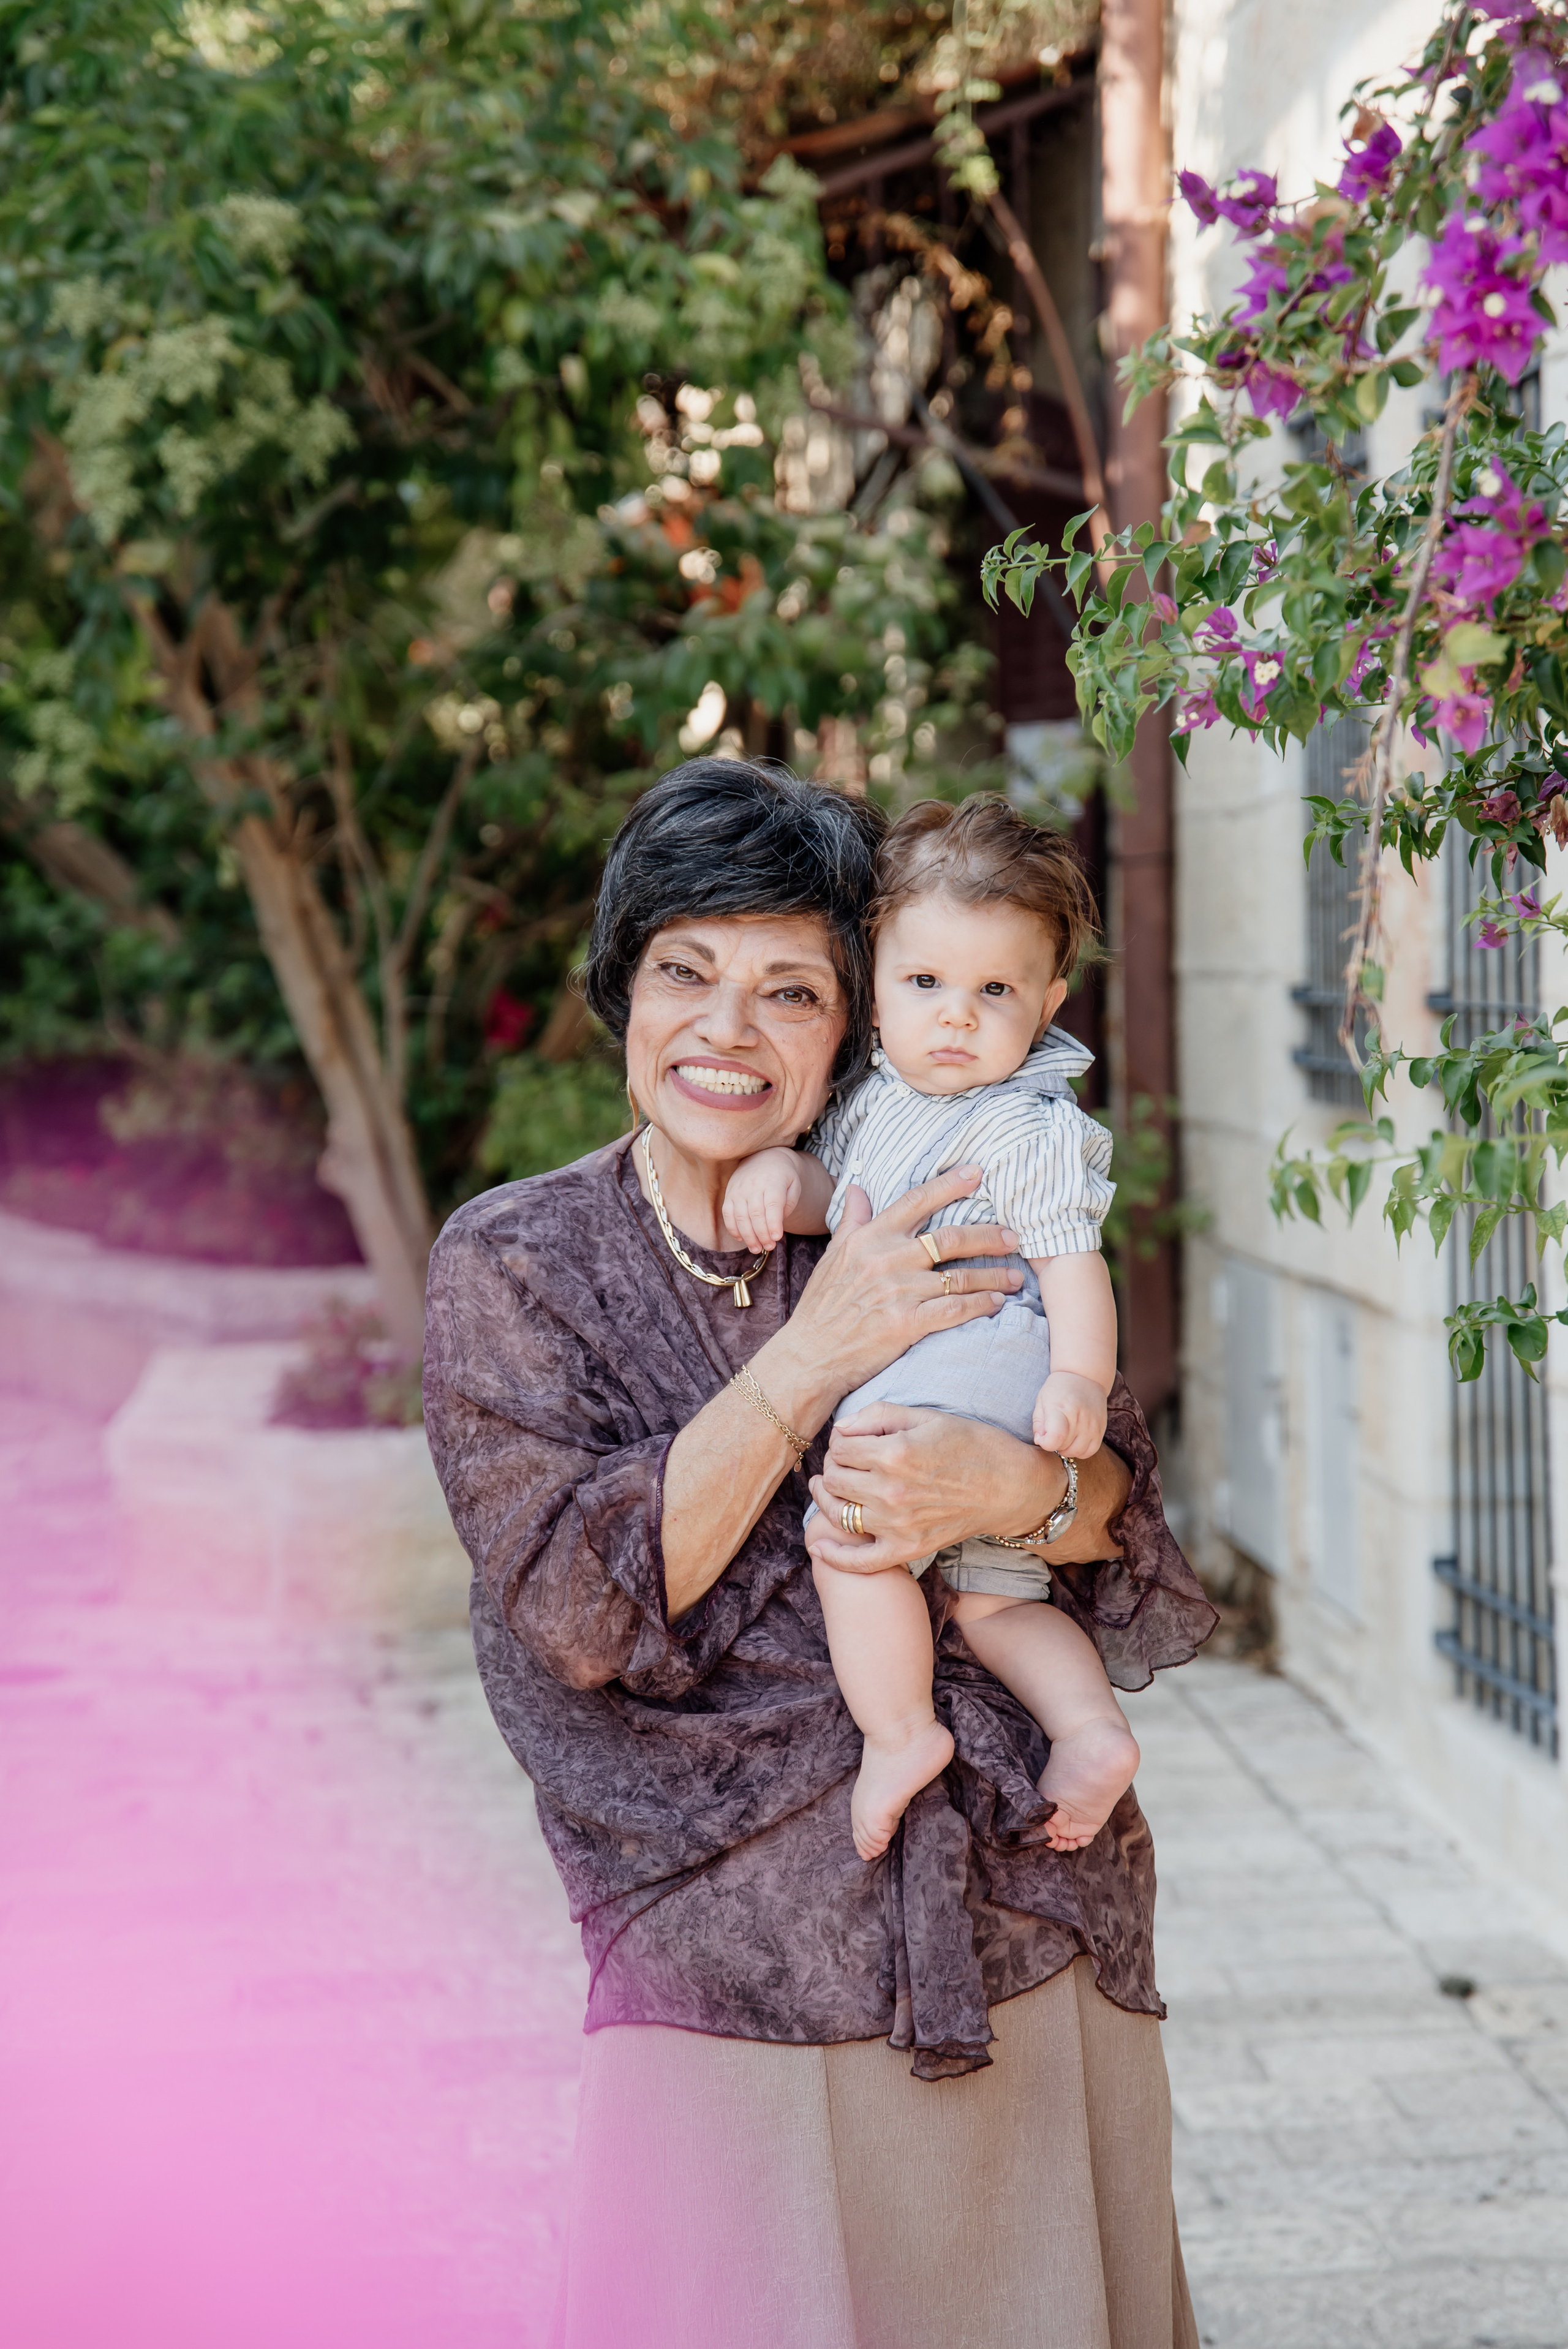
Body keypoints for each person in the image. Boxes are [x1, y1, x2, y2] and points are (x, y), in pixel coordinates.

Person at [423, 760, 1216, 2349]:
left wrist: (1005, 1480)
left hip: (1010, 1919)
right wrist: (815, 1353)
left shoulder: (932, 1187)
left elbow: (1115, 1525)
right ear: (623, 990)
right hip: (728, 1956)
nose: (730, 1028)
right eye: (686, 972)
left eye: (790, 989)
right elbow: (584, 1604)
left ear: (848, 1024)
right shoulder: (521, 1262)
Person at [722, 797, 1139, 1866]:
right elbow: (839, 1194)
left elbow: (1069, 1263)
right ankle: (1091, 1731)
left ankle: (901, 1734)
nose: (956, 1018)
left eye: (993, 991)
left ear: (1048, 1003)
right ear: (876, 986)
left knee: (854, 1539)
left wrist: (1084, 1379)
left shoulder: (1025, 1123)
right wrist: (783, 1176)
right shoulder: (873, 1098)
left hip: (982, 1352)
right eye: (926, 985)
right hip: (971, 1377)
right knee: (995, 1596)